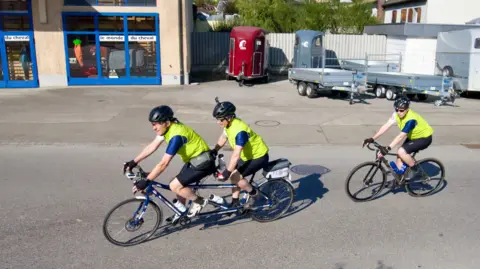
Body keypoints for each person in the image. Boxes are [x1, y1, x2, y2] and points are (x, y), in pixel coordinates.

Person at [123, 105, 216, 222]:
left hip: (203, 162)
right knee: (176, 182)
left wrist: (146, 181)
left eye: (156, 124)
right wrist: (134, 161)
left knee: (175, 185)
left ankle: (200, 202)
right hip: (194, 160)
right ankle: (181, 211)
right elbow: (152, 146)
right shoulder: (168, 128)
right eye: (153, 124)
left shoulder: (176, 136)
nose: (154, 127)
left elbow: (163, 163)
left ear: (166, 122)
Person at [211, 98, 269, 208]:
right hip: (247, 156)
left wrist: (227, 172)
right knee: (234, 176)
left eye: (220, 119)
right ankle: (235, 201)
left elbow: (236, 155)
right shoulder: (228, 125)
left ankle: (254, 194)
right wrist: (214, 150)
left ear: (229, 117)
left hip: (258, 156)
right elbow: (223, 138)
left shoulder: (240, 131)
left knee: (235, 176)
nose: (218, 122)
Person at [363, 96, 434, 175]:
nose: (398, 112)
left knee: (401, 151)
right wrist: (372, 138)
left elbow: (400, 136)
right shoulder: (396, 113)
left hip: (424, 138)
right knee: (399, 158)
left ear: (407, 110)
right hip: (413, 137)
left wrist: (387, 149)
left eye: (401, 110)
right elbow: (386, 125)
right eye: (397, 110)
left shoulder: (411, 120)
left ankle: (415, 169)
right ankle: (400, 180)